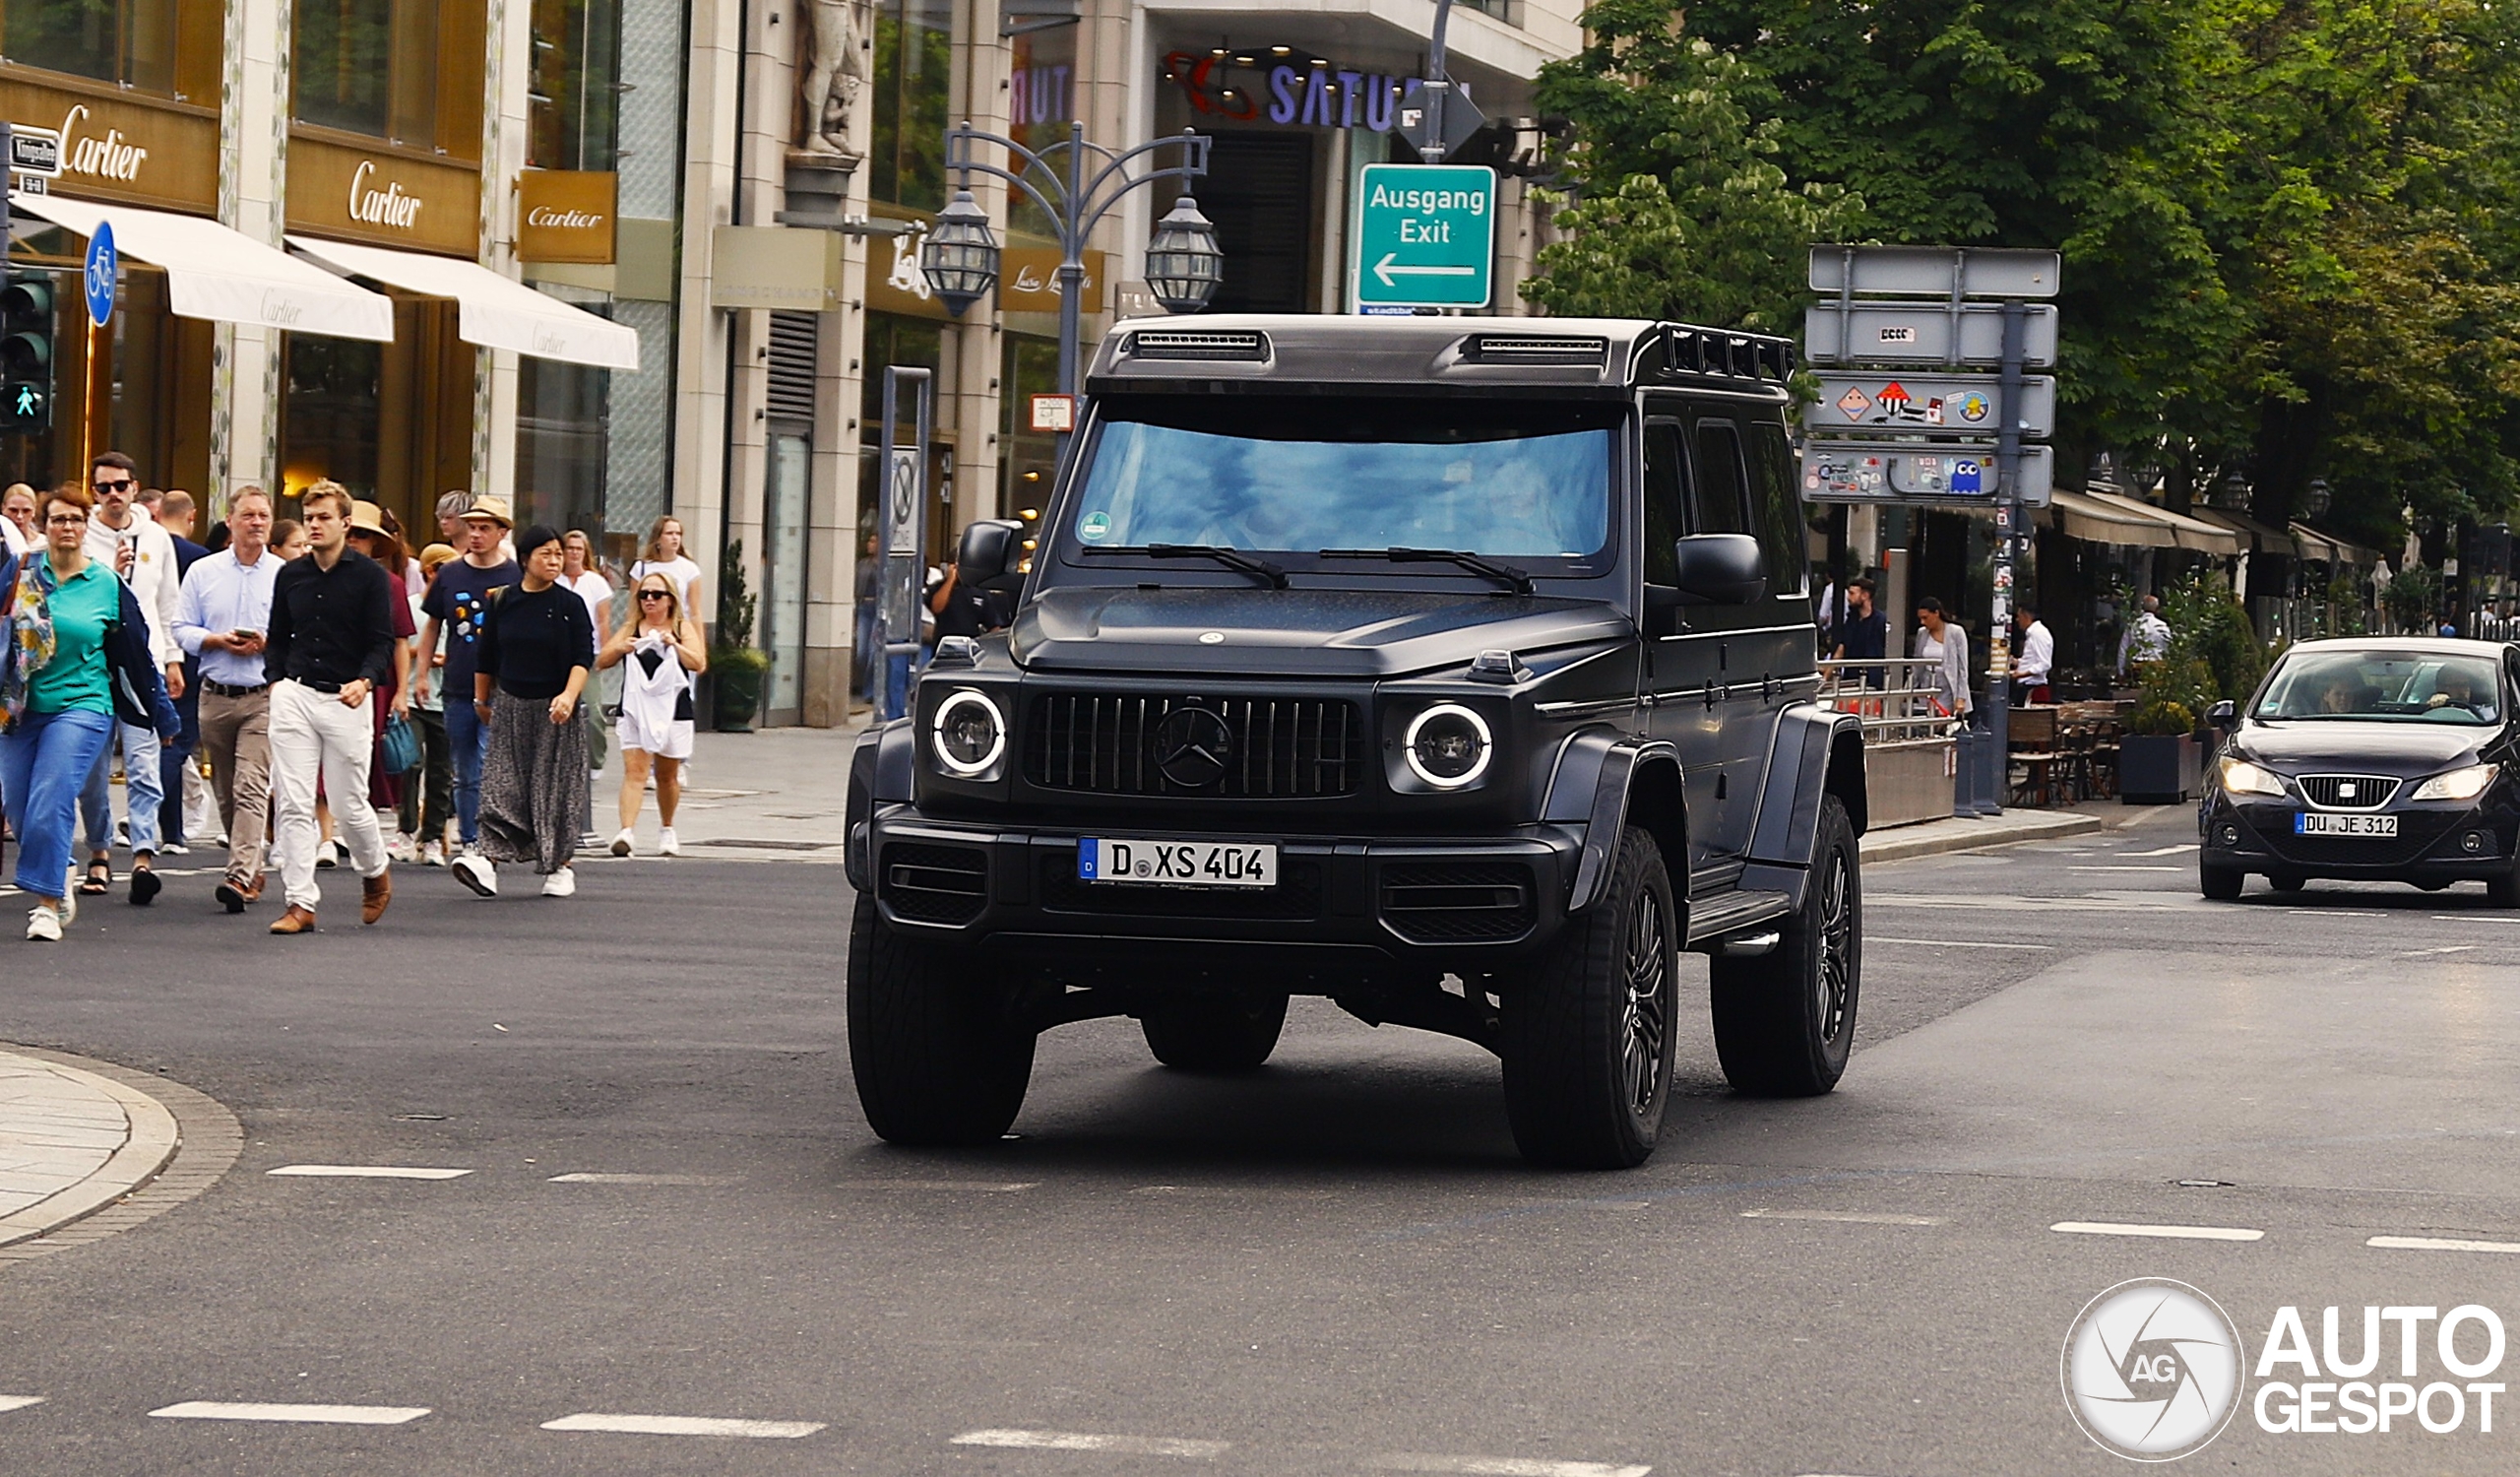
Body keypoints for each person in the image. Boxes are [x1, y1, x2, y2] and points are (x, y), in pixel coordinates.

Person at [2, 486, 178, 941]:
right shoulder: (21, 571)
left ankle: (47, 904)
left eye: (75, 520)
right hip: (20, 707)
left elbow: (136, 656)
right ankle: (60, 868)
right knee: (20, 809)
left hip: (83, 705)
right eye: (58, 519)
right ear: (43, 526)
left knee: (52, 795)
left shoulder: (106, 584)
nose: (67, 527)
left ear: (86, 527)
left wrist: (162, 716)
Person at [261, 482, 398, 934]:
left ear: (345, 523)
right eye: (309, 518)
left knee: (347, 803)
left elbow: (382, 641)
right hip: (295, 693)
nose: (315, 525)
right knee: (293, 801)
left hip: (346, 695)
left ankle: (374, 871)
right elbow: (278, 635)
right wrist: (276, 680)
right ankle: (300, 902)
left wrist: (365, 681)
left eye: (324, 517)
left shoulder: (370, 577)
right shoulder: (290, 575)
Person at [455, 525, 596, 899]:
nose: (554, 560)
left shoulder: (569, 605)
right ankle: (488, 862)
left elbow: (583, 656)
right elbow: (486, 657)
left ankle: (560, 866)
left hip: (555, 709)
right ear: (525, 559)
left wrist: (568, 696)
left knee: (554, 790)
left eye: (558, 554)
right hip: (510, 704)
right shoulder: (502, 600)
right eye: (545, 553)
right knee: (499, 787)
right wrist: (481, 701)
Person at [76, 452, 185, 905]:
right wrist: (114, 575)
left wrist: (173, 659)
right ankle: (99, 850)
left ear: (134, 488)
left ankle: (143, 854)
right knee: (93, 772)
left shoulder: (156, 537)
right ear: (94, 492)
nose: (113, 495)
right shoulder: (82, 536)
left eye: (120, 486)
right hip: (93, 667)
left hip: (144, 665)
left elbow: (167, 602)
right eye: (104, 488)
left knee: (144, 765)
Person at [175, 486, 284, 914]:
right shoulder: (203, 571)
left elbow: (297, 634)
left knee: (250, 785)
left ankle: (238, 874)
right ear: (230, 521)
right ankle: (251, 865)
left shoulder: (284, 574)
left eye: (263, 516)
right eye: (248, 515)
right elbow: (181, 627)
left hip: (262, 695)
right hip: (215, 694)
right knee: (225, 789)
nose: (256, 523)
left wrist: (267, 644)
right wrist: (215, 640)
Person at [416, 495, 520, 858]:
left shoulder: (514, 576)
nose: (476, 534)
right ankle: (471, 837)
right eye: (472, 527)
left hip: (502, 687)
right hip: (458, 684)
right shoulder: (450, 573)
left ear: (502, 533)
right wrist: (421, 674)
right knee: (464, 769)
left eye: (484, 528)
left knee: (491, 763)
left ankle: (492, 834)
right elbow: (432, 625)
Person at [599, 572, 706, 857]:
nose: (649, 600)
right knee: (635, 771)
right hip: (635, 708)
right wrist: (621, 647)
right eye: (644, 595)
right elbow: (602, 660)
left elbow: (698, 662)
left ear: (670, 600)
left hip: (674, 710)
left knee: (667, 775)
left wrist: (675, 645)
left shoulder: (682, 627)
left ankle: (667, 827)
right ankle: (626, 831)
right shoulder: (631, 628)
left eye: (656, 595)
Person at [347, 502, 418, 852]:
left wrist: (402, 691)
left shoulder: (391, 584)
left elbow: (402, 640)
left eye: (361, 535)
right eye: (349, 533)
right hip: (329, 679)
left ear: (375, 542)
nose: (353, 540)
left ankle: (363, 830)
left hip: (377, 683)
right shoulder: (316, 577)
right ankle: (327, 835)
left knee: (371, 756)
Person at [155, 490, 215, 854]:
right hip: (189, 659)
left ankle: (172, 830)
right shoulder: (201, 560)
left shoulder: (148, 551)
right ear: (191, 516)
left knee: (165, 739)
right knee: (178, 743)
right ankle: (149, 810)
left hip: (150, 654)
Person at [408, 545, 459, 865]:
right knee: (409, 763)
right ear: (430, 571)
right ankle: (406, 828)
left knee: (442, 772)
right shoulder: (411, 606)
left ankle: (433, 836)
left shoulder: (457, 606)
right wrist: (422, 656)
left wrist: (449, 659)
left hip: (446, 698)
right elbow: (396, 647)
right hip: (412, 693)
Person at [629, 515, 704, 614]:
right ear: (658, 538)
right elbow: (634, 607)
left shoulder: (690, 569)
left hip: (679, 621)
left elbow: (695, 611)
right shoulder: (641, 567)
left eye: (678, 533)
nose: (675, 537)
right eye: (669, 533)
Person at [1914, 598, 1972, 722]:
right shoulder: (1922, 633)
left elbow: (1962, 667)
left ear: (1936, 613)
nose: (1923, 622)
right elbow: (1917, 664)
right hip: (1928, 685)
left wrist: (1961, 697)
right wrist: (1909, 689)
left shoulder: (1956, 632)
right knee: (1928, 720)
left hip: (1948, 685)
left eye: (1926, 618)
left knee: (1943, 720)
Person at [1828, 576, 1887, 689]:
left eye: (1852, 593)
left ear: (1865, 595)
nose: (1848, 598)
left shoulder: (1880, 621)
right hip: (1852, 678)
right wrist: (1826, 677)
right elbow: (1842, 648)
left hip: (1872, 680)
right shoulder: (1851, 619)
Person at [2116, 593, 2171, 674]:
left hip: (2136, 667)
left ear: (2142, 607)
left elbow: (2123, 649)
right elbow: (2167, 648)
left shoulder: (2133, 625)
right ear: (2157, 608)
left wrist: (2121, 671)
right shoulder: (2163, 626)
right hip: (2156, 666)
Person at [2011, 605, 2054, 705]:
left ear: (2026, 616)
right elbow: (2033, 660)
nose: (2017, 620)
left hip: (2034, 689)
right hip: (2027, 687)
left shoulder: (2039, 633)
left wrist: (2022, 674)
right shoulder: (2034, 633)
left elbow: (2045, 664)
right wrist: (2017, 662)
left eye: (2019, 616)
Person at [0, 482, 36, 560]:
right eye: (13, 510)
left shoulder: (46, 544)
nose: (19, 516)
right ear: (3, 508)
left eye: (26, 511)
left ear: (34, 510)